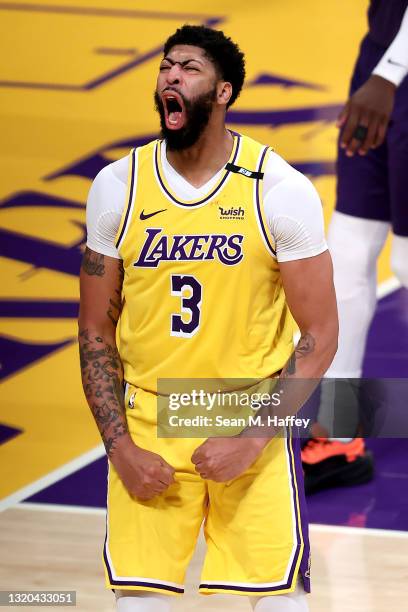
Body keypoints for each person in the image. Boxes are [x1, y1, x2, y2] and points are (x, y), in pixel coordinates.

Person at [78, 25, 338, 612]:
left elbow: (320, 336)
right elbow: (95, 330)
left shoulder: (278, 189)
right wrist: (118, 447)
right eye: (166, 66)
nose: (171, 76)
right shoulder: (118, 187)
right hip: (149, 422)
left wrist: (250, 441)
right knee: (139, 605)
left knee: (279, 604)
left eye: (189, 68)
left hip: (250, 416)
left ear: (223, 93)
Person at [302, 1, 408, 494]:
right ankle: (337, 434)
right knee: (347, 249)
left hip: (388, 75)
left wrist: (389, 76)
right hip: (382, 58)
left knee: (406, 263)